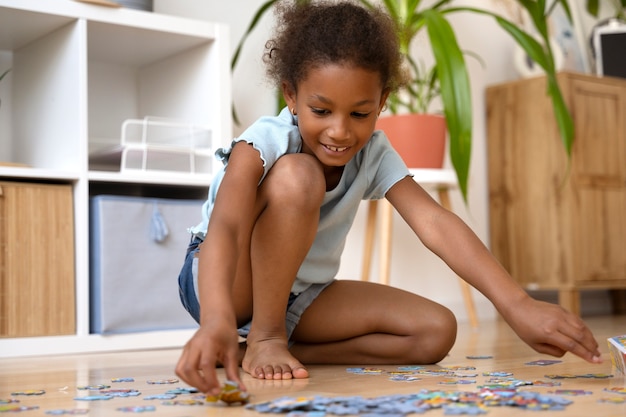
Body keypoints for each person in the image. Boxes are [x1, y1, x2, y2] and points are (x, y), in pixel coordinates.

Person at [175, 0, 601, 396]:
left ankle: (269, 348)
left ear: (381, 102)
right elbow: (225, 228)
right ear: (291, 95)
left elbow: (434, 223)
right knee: (299, 177)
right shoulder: (264, 141)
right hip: (225, 287)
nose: (340, 131)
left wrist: (518, 304)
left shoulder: (375, 153)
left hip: (299, 295)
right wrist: (216, 319)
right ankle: (262, 338)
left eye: (359, 114)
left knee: (435, 331)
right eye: (321, 111)